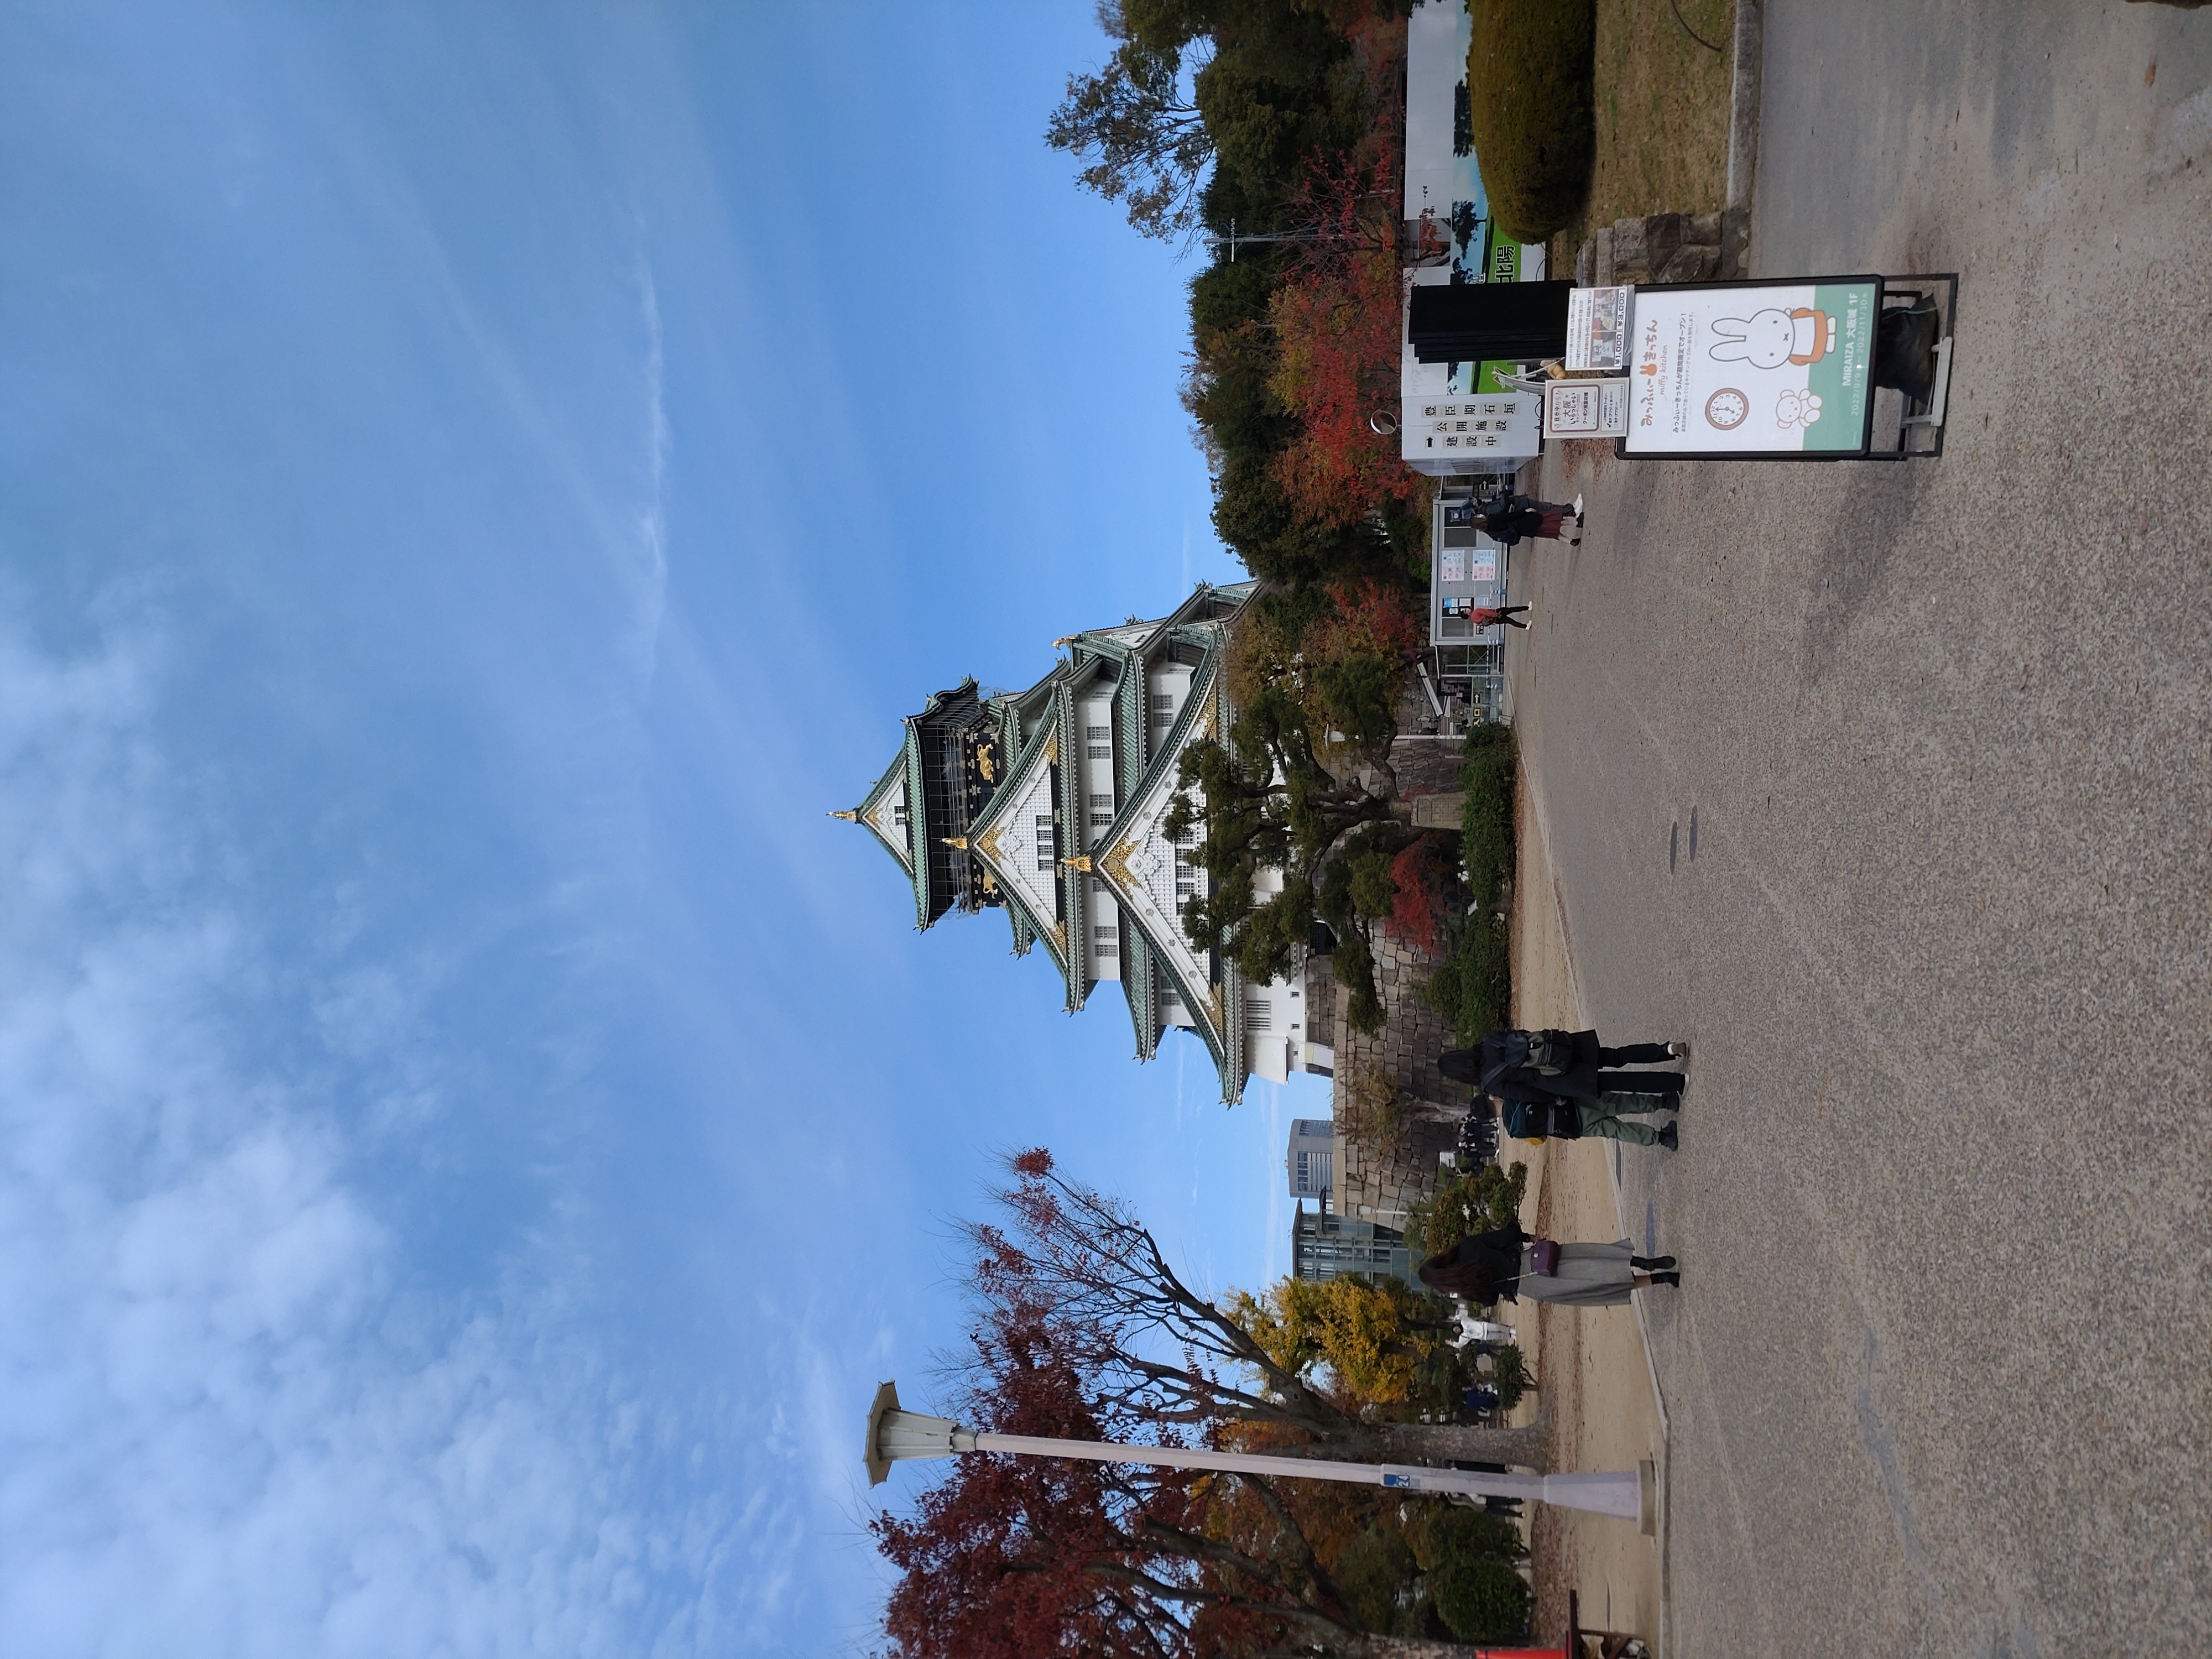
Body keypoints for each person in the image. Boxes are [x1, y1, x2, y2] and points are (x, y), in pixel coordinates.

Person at [1417, 1223, 1679, 1308]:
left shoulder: (1467, 1290)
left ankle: (1663, 1280)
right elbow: (1505, 1237)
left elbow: (1492, 1300)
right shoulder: (1467, 1247)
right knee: (1590, 1257)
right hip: (1532, 1260)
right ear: (1439, 1259)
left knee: (1597, 1285)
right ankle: (1642, 1261)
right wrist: (1525, 1236)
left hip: (1535, 1286)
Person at [1439, 1028, 1686, 1102]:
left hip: (1559, 1076)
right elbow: (1521, 1034)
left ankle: (1677, 1081)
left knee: (1623, 1083)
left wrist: (1555, 1099)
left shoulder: (1490, 1082)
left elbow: (1526, 1094)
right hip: (1560, 1047)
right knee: (1618, 1056)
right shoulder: (1488, 1041)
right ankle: (1665, 1050)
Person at [1475, 492, 1585, 547]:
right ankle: (1575, 518)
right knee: (1552, 517)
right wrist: (1503, 492)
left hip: (1525, 531)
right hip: (1525, 519)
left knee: (1551, 532)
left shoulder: (1489, 532)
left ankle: (1570, 541)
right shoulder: (1490, 516)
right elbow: (1507, 514)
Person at [1467, 603, 1531, 631]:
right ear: (1467, 614)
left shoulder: (1473, 620)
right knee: (1511, 610)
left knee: (1510, 622)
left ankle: (1525, 626)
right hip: (1497, 613)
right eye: (1466, 611)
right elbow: (1487, 613)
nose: (1468, 610)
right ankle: (1527, 608)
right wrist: (1496, 614)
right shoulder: (1476, 611)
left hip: (1495, 621)